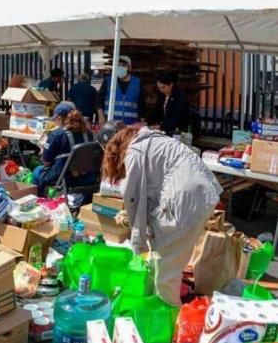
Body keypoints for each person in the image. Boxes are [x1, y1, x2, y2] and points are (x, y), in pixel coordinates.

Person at [102, 126, 222, 306]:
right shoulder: (152, 141)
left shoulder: (134, 152)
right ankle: (157, 305)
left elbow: (135, 201)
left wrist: (136, 239)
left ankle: (170, 322)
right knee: (168, 258)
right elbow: (150, 195)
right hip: (203, 196)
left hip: (186, 202)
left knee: (165, 276)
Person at [32, 101, 95, 197]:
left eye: (55, 120)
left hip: (65, 178)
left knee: (37, 171)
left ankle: (41, 203)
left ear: (59, 118)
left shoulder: (57, 134)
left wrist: (42, 149)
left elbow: (46, 162)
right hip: (88, 178)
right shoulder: (88, 133)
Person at [96, 55, 146, 125]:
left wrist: (142, 121)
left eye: (123, 65)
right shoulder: (108, 81)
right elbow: (99, 101)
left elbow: (141, 104)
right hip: (110, 123)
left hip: (131, 124)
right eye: (118, 65)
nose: (120, 67)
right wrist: (101, 117)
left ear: (129, 67)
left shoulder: (137, 82)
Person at [150, 72, 189, 136]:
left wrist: (161, 126)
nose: (161, 90)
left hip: (177, 131)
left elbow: (177, 117)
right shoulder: (161, 96)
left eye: (163, 87)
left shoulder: (179, 97)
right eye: (159, 88)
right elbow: (157, 113)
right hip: (164, 130)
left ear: (171, 84)